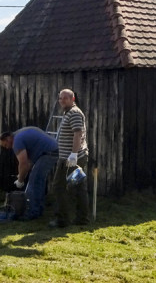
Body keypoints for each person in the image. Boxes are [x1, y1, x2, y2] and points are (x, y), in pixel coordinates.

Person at [49, 89, 90, 228]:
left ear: (72, 99)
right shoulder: (69, 113)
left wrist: (73, 155)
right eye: (60, 98)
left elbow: (77, 134)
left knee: (59, 187)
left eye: (65, 98)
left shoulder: (74, 113)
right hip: (68, 157)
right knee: (78, 188)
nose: (62, 101)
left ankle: (62, 220)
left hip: (71, 158)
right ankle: (81, 218)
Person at [0, 126, 58, 221]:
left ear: (8, 138)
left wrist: (20, 181)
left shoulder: (17, 141)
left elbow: (23, 163)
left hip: (48, 153)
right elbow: (28, 163)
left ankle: (32, 213)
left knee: (34, 182)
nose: (7, 148)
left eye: (5, 145)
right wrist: (21, 175)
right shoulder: (19, 134)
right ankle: (38, 210)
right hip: (51, 151)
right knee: (38, 181)